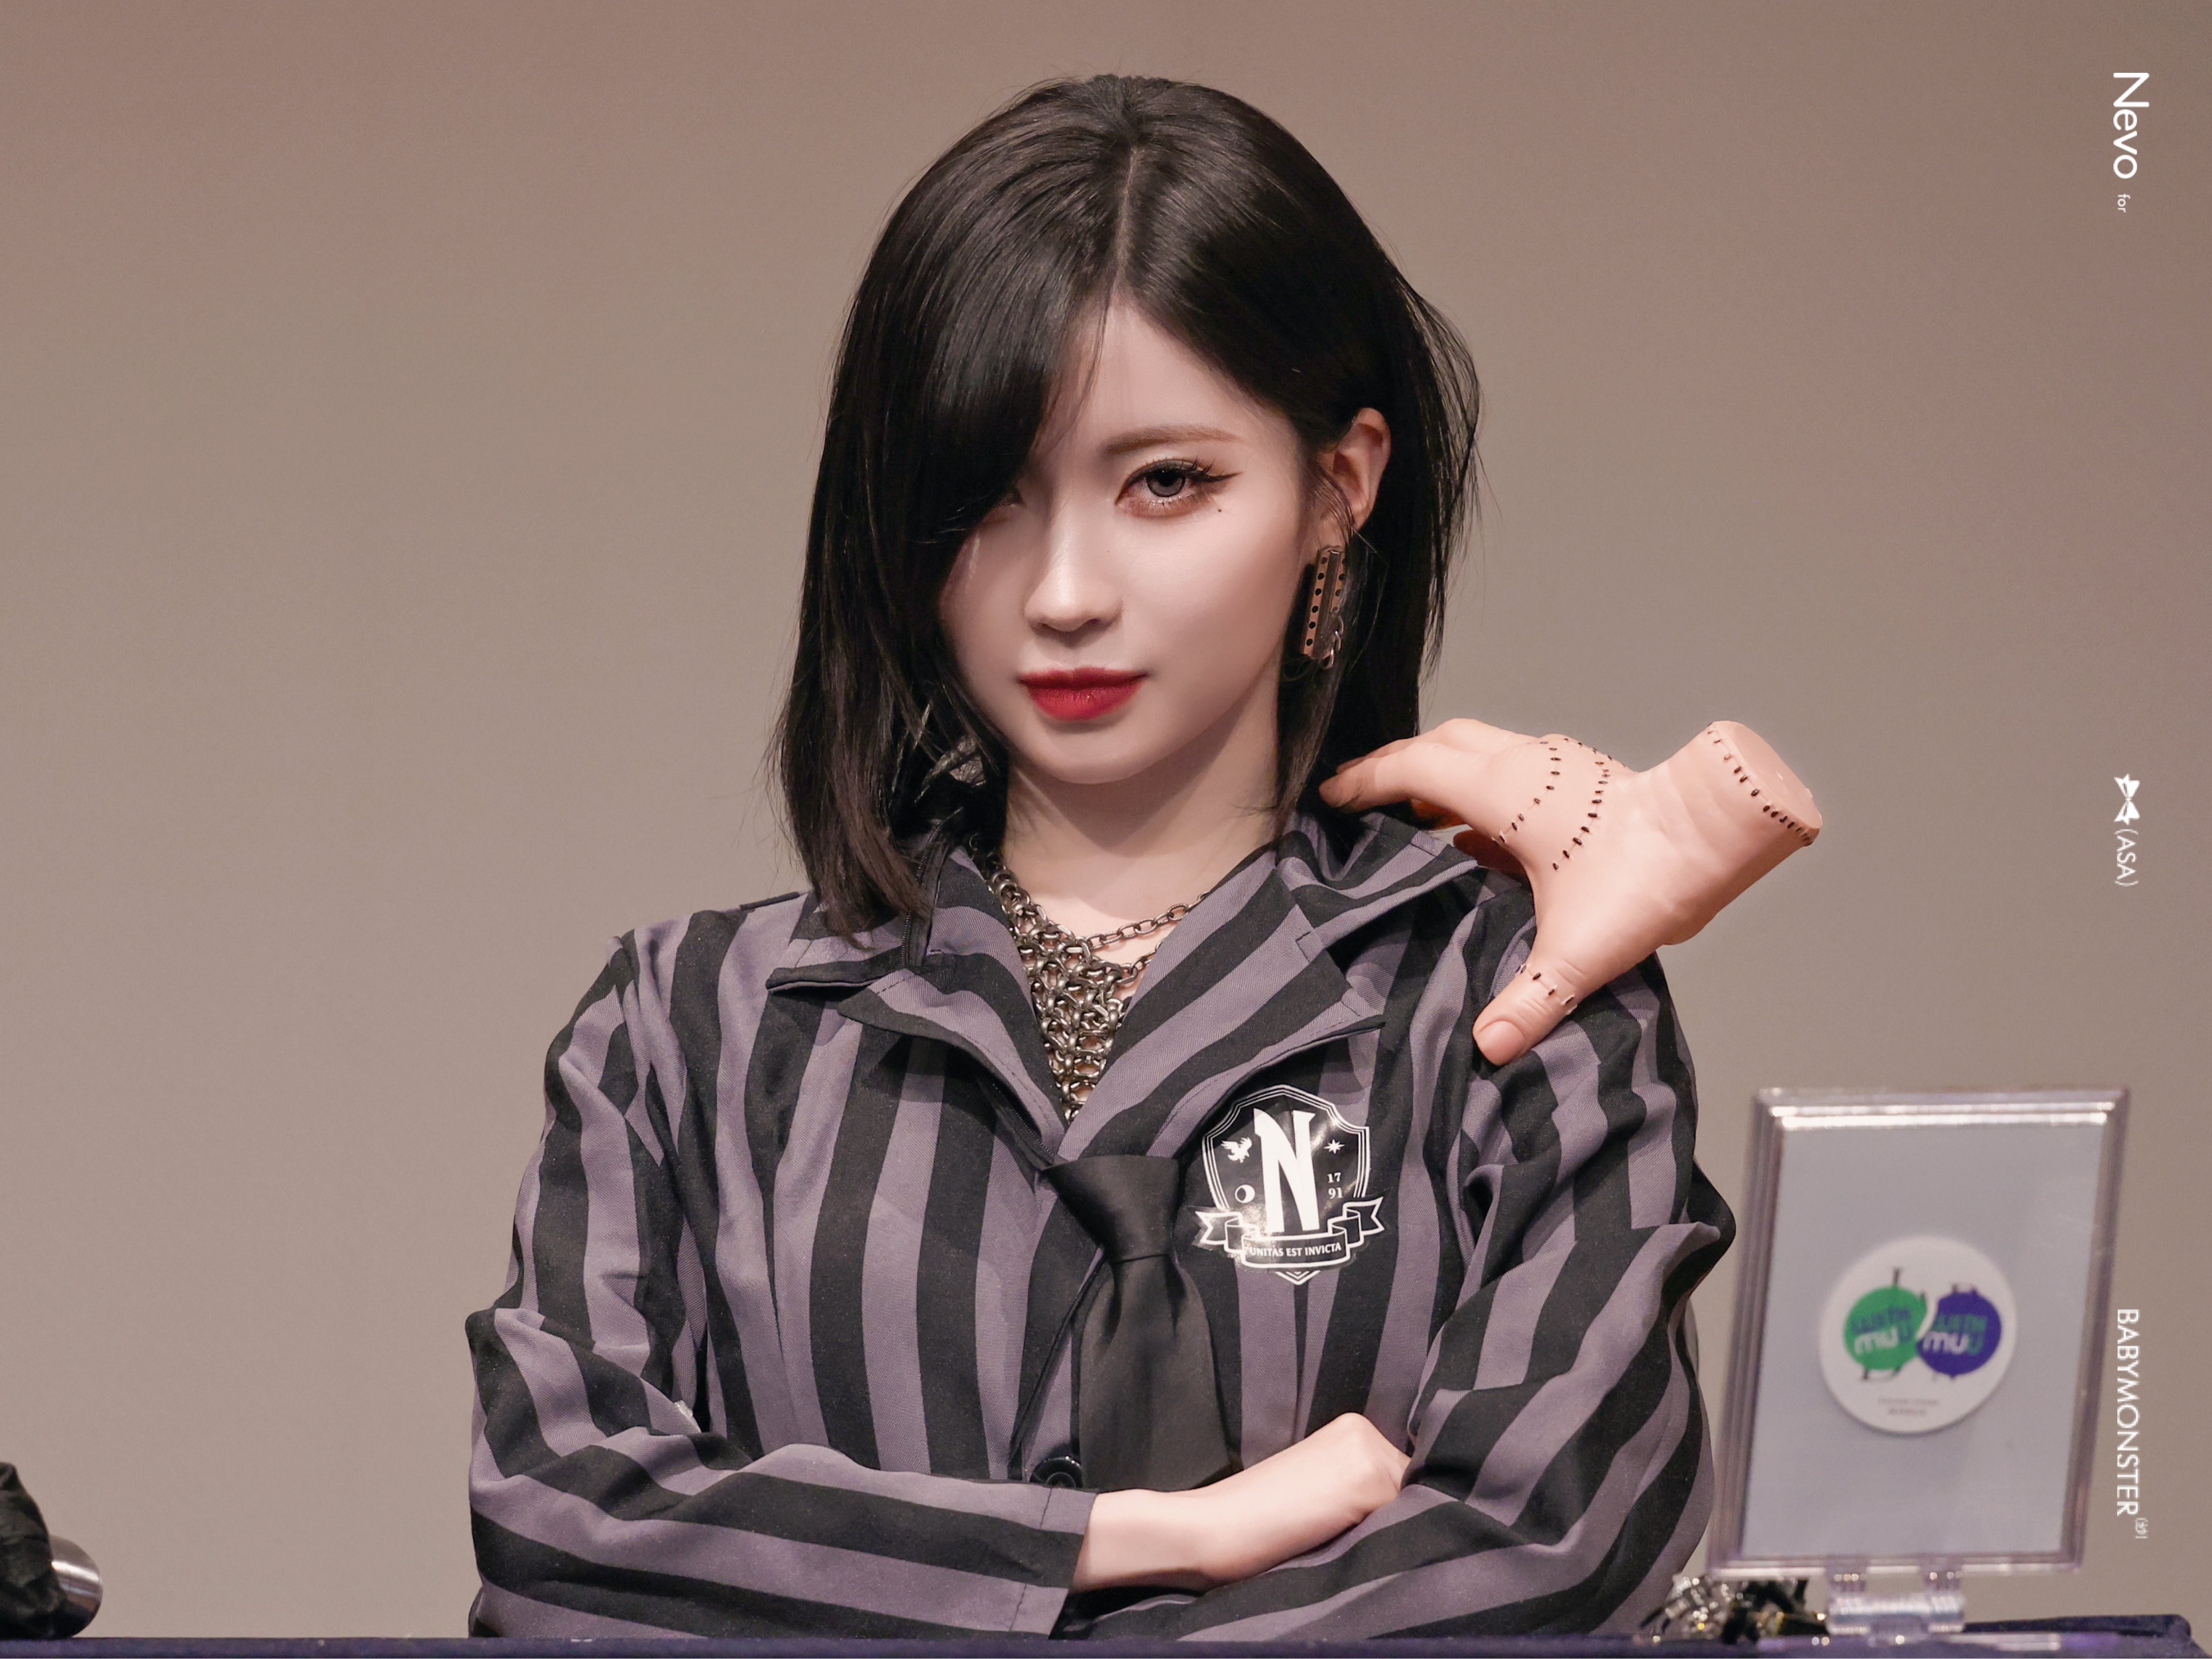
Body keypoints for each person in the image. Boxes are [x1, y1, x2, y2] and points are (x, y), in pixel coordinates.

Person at [465, 74, 1816, 1640]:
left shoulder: (1513, 997)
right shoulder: (689, 1026)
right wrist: (1121, 1538)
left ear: (1340, 486)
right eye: (986, 500)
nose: (1065, 593)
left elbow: (1554, 1551)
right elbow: (564, 1518)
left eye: (1166, 483)